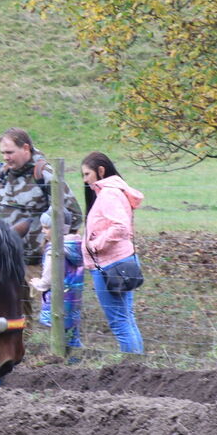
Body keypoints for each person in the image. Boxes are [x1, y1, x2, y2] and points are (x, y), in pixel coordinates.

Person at [81, 152, 144, 354]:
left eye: (87, 174)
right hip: (119, 261)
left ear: (101, 171)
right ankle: (138, 368)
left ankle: (132, 370)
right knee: (127, 319)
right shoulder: (113, 191)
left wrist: (94, 245)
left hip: (110, 265)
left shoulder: (108, 194)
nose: (85, 180)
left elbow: (121, 227)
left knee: (119, 323)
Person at [0, 127, 82, 264]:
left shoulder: (44, 175)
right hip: (5, 261)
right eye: (3, 153)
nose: (5, 157)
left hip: (37, 265)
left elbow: (74, 216)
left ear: (26, 148)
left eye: (10, 152)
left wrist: (49, 248)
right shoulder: (2, 174)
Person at [29, 208, 84, 355]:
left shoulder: (54, 250)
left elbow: (48, 279)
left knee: (59, 335)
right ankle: (76, 359)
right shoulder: (75, 246)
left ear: (59, 229)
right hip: (73, 298)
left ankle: (63, 360)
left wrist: (37, 283)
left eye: (47, 228)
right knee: (72, 334)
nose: (43, 231)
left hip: (58, 300)